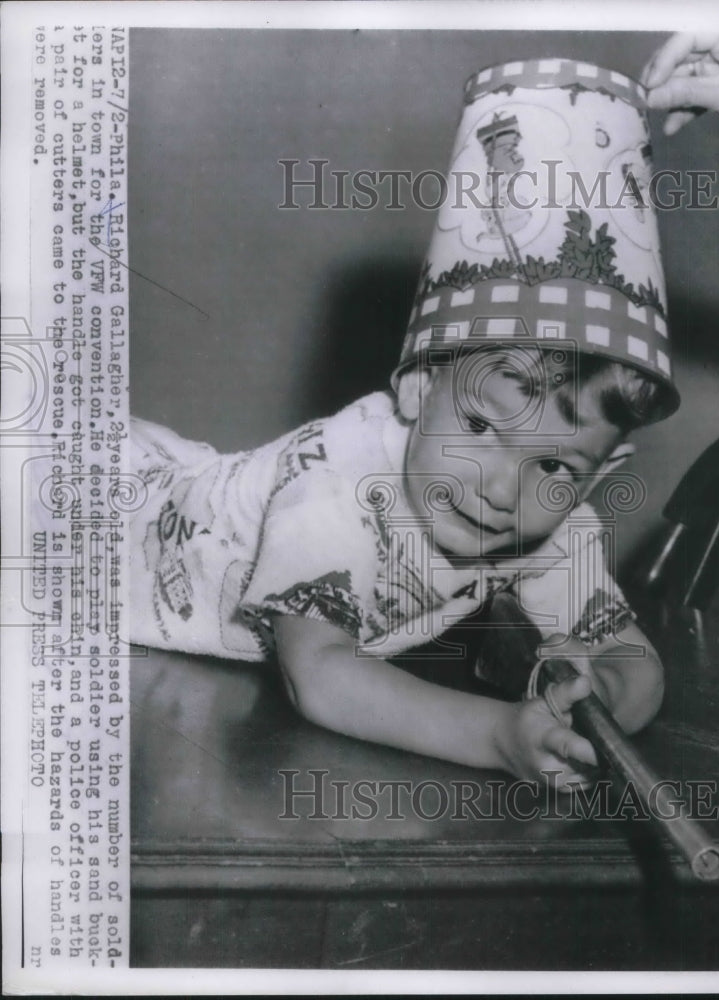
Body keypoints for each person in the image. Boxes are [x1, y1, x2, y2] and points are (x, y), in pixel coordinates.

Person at [130, 56, 681, 790]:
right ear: (419, 388)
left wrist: (594, 691)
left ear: (600, 473)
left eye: (554, 466)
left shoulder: (550, 522)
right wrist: (496, 737)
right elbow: (319, 673)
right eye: (483, 430)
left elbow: (636, 659)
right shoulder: (339, 477)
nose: (500, 489)